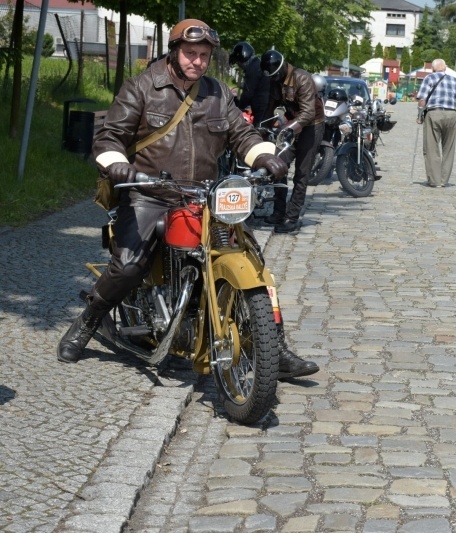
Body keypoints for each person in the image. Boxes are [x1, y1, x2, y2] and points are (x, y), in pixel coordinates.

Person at [56, 20, 318, 380]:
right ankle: (88, 321)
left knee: (252, 258)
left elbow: (241, 134)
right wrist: (118, 166)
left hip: (204, 193)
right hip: (150, 193)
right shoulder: (142, 87)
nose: (197, 61)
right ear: (174, 51)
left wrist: (263, 155)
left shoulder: (217, 93)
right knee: (130, 267)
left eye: (204, 56)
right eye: (190, 53)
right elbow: (109, 137)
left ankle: (274, 346)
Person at [260, 49, 324, 234]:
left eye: (274, 75)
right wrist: (260, 128)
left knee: (301, 175)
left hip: (312, 126)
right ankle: (278, 212)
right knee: (277, 166)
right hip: (290, 126)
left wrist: (288, 128)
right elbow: (269, 108)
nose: (272, 79)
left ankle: (292, 217)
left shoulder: (302, 78)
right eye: (270, 77)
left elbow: (308, 113)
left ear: (281, 69)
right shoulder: (275, 80)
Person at [416, 58, 456, 188]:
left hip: (434, 113)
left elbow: (422, 100)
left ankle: (435, 181)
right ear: (445, 67)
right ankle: (444, 180)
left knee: (431, 148)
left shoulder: (429, 78)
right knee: (448, 148)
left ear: (433, 69)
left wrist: (420, 115)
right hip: (451, 114)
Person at [229, 41, 271, 126]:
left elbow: (248, 93)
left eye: (238, 62)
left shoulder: (253, 69)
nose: (239, 65)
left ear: (242, 59)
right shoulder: (257, 64)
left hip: (261, 107)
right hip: (266, 105)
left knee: (257, 131)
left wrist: (239, 107)